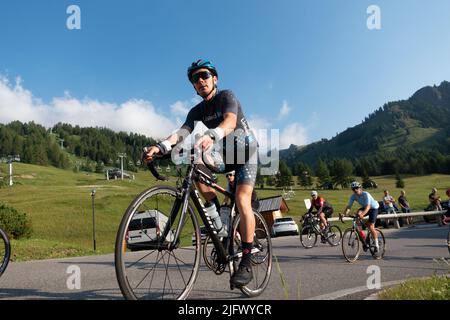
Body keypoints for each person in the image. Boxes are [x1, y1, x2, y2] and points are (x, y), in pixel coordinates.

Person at [143, 59, 258, 287]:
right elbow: (181, 132)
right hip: (225, 157)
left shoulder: (227, 96)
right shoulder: (197, 111)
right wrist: (161, 147)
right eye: (195, 79)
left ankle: (247, 258)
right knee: (197, 170)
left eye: (204, 75)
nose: (200, 80)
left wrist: (212, 135)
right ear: (194, 86)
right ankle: (220, 227)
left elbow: (229, 121)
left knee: (242, 199)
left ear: (214, 78)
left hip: (247, 153)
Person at [342, 181, 380, 253]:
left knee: (370, 226)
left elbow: (368, 207)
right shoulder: (353, 196)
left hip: (373, 208)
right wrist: (345, 214)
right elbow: (349, 206)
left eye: (356, 188)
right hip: (365, 207)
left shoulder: (366, 194)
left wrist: (362, 214)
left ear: (360, 188)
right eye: (353, 189)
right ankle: (363, 238)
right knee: (357, 218)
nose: (355, 190)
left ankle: (376, 244)